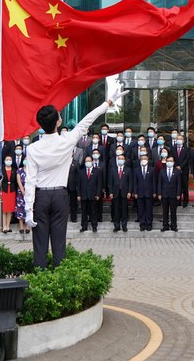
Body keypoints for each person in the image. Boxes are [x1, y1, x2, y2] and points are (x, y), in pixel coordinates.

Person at [24, 88, 126, 269]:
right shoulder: (68, 140)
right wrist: (109, 102)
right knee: (59, 244)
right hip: (60, 196)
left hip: (40, 197)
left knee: (39, 244)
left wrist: (28, 208)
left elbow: (30, 180)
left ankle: (39, 278)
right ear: (58, 122)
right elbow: (88, 119)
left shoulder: (32, 148)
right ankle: (59, 278)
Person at [108, 151, 133, 232]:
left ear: (124, 160)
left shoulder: (128, 169)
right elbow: (110, 182)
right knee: (116, 210)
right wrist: (110, 192)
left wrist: (129, 192)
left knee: (124, 210)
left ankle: (124, 226)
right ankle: (116, 226)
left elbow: (130, 182)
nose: (120, 160)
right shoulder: (113, 169)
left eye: (122, 159)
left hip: (124, 193)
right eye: (119, 159)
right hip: (115, 192)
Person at [158, 154, 183, 232]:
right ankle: (165, 226)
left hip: (173, 194)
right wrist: (159, 193)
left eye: (171, 161)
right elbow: (159, 183)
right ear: (166, 162)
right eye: (168, 161)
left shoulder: (177, 171)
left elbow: (179, 183)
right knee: (165, 211)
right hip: (164, 194)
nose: (169, 162)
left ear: (174, 162)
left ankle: (173, 226)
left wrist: (178, 194)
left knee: (173, 211)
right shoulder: (162, 171)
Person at [77, 155, 102, 232]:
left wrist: (98, 194)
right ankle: (84, 226)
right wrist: (78, 194)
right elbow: (78, 184)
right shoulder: (81, 172)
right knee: (84, 212)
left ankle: (94, 226)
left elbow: (99, 184)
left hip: (93, 195)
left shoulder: (97, 171)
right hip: (84, 194)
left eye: (89, 161)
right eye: (86, 161)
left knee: (93, 211)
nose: (88, 162)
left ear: (92, 162)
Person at [0, 155, 19, 233]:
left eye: (10, 159)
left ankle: (8, 226)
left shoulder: (14, 170)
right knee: (4, 209)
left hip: (12, 191)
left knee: (10, 210)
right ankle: (4, 227)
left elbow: (16, 181)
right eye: (7, 159)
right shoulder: (1, 170)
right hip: (3, 190)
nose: (8, 161)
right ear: (4, 161)